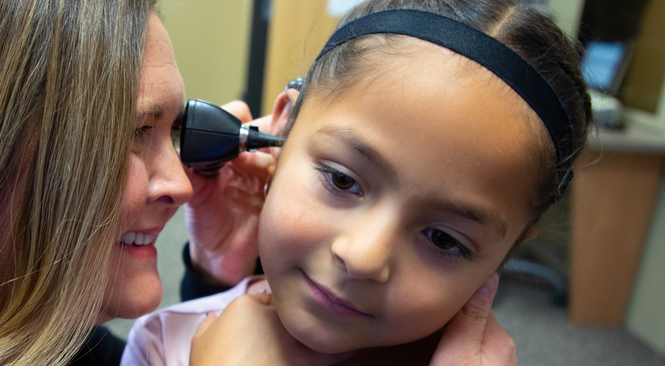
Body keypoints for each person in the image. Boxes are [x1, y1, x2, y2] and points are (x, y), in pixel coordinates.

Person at [0, 0, 524, 365]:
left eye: (176, 132)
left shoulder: (51, 341)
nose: (179, 181)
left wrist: (214, 276)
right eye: (133, 134)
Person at [122, 0, 592, 365]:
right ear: (281, 133)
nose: (364, 257)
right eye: (342, 181)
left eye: (443, 239)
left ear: (504, 254)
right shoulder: (165, 346)